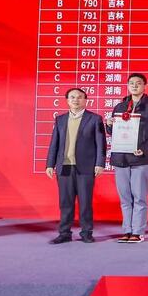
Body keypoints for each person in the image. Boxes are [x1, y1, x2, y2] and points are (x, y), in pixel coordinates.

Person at [105, 73, 148, 244]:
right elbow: (114, 133)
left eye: (138, 83)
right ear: (127, 86)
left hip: (140, 158)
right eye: (131, 83)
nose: (135, 86)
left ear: (145, 86)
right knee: (124, 197)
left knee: (139, 196)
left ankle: (138, 231)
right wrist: (109, 125)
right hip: (120, 158)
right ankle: (127, 230)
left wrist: (144, 149)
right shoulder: (120, 107)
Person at [45, 88, 105, 243]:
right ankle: (64, 233)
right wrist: (50, 164)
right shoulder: (60, 119)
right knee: (65, 202)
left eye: (79, 97)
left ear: (85, 100)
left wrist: (100, 163)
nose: (76, 100)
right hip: (64, 167)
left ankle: (86, 233)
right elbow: (54, 143)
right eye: (72, 97)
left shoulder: (95, 119)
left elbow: (101, 143)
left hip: (86, 167)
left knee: (85, 202)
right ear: (67, 100)